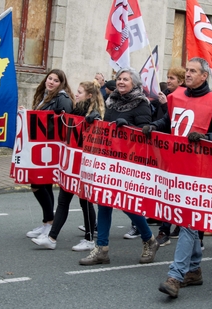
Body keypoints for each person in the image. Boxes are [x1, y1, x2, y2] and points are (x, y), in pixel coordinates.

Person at [144, 57, 212, 298]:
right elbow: (168, 123)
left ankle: (175, 275)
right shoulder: (176, 96)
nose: (188, 74)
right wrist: (153, 127)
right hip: (177, 169)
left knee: (187, 222)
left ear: (205, 76)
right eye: (187, 70)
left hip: (202, 174)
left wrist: (205, 138)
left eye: (193, 71)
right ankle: (194, 269)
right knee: (187, 221)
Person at [79, 67, 159, 265]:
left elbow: (145, 133)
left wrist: (130, 128)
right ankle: (102, 249)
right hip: (108, 160)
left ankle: (149, 239)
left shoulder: (142, 104)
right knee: (104, 201)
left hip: (130, 163)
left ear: (135, 83)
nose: (121, 82)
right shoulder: (111, 100)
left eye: (126, 79)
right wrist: (94, 120)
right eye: (119, 79)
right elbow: (106, 126)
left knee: (126, 204)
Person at [32, 80, 104, 251]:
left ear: (90, 95)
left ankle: (89, 239)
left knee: (85, 202)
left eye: (80, 92)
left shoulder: (96, 113)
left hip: (85, 165)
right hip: (71, 164)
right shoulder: (76, 110)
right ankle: (52, 238)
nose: (76, 94)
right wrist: (60, 115)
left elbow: (99, 139)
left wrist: (96, 122)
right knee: (63, 200)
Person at [24, 69, 74, 239]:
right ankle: (47, 221)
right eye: (50, 78)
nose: (51, 82)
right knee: (42, 184)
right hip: (40, 145)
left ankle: (49, 222)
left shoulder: (62, 98)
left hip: (51, 147)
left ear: (62, 83)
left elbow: (65, 121)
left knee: (38, 183)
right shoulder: (44, 95)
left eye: (56, 80)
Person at [152, 66, 186, 247]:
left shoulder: (183, 98)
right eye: (168, 77)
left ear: (181, 81)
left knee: (178, 191)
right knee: (166, 190)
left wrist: (166, 104)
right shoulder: (165, 94)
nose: (168, 80)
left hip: (180, 151)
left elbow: (175, 120)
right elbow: (163, 120)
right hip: (164, 147)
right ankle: (166, 228)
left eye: (172, 78)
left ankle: (173, 228)